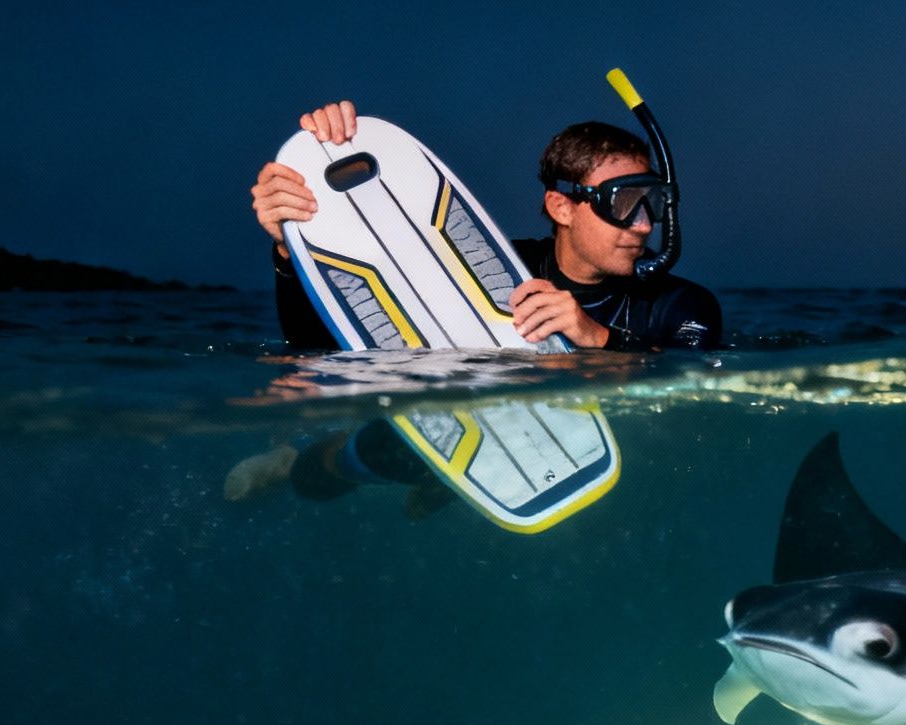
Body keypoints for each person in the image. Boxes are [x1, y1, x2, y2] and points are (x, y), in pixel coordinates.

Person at [229, 100, 723, 508]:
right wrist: (292, 248)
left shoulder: (684, 306)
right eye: (623, 202)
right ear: (561, 207)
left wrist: (597, 339)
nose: (643, 224)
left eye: (653, 202)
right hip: (475, 437)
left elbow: (692, 389)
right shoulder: (490, 271)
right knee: (351, 462)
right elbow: (319, 350)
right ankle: (288, 465)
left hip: (602, 463)